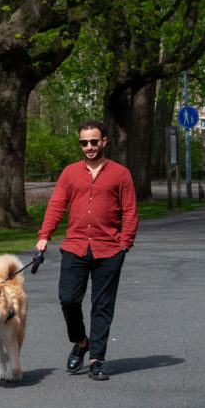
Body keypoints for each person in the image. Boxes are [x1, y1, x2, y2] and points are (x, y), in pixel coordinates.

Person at [36, 119, 138, 381]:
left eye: (94, 141)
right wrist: (44, 236)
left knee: (102, 306)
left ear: (104, 141)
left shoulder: (120, 173)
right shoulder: (70, 173)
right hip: (76, 246)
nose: (89, 147)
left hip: (110, 249)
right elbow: (57, 205)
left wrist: (125, 243)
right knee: (68, 299)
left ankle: (97, 359)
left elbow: (129, 211)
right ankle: (81, 342)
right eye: (84, 143)